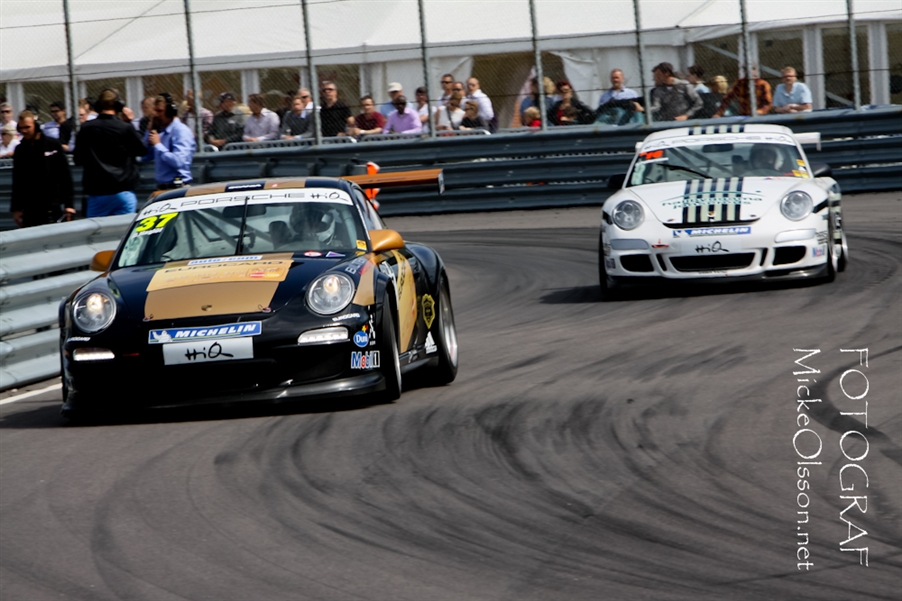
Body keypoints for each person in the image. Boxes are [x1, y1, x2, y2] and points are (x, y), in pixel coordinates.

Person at [73, 89, 147, 217]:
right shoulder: (125, 127)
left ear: (98, 106)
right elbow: (142, 150)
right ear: (119, 106)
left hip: (98, 192)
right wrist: (129, 122)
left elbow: (78, 159)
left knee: (97, 229)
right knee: (125, 228)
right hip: (123, 191)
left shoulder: (86, 128)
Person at [11, 110, 75, 227]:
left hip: (52, 204)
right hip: (30, 206)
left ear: (36, 126)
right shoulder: (20, 150)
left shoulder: (52, 145)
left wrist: (69, 204)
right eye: (21, 128)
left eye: (27, 127)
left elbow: (65, 175)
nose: (24, 131)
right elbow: (18, 180)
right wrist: (16, 208)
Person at [144, 93, 195, 189]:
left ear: (170, 112)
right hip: (162, 187)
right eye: (155, 110)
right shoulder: (161, 134)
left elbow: (179, 162)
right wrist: (149, 131)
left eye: (160, 111)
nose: (156, 115)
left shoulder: (181, 131)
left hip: (177, 187)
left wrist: (158, 145)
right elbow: (144, 157)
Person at [635, 62, 702, 122]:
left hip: (683, 123)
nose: (654, 79)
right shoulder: (658, 90)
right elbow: (656, 107)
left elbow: (698, 103)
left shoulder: (684, 85)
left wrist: (686, 115)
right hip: (666, 123)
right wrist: (643, 109)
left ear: (667, 74)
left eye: (658, 75)